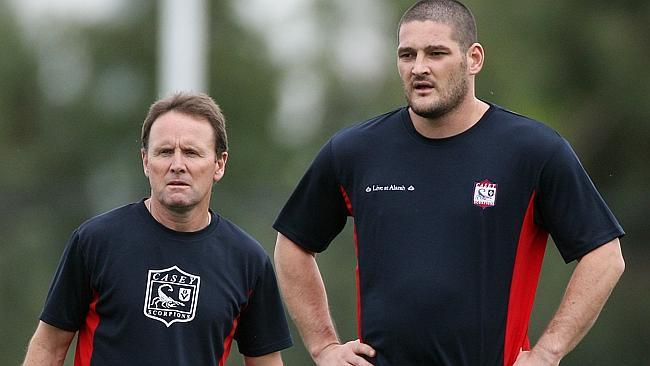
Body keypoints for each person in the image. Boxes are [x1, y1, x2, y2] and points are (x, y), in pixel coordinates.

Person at [272, 1, 625, 365]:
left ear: (474, 59)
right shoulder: (355, 150)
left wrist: (547, 354)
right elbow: (293, 245)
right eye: (407, 55)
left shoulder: (534, 150)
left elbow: (604, 256)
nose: (419, 68)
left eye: (436, 53)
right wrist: (324, 347)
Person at [23, 92, 292, 366]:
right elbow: (48, 347)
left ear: (219, 164)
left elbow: (266, 361)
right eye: (165, 152)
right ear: (145, 161)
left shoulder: (248, 261)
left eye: (191, 152)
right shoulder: (95, 242)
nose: (177, 165)